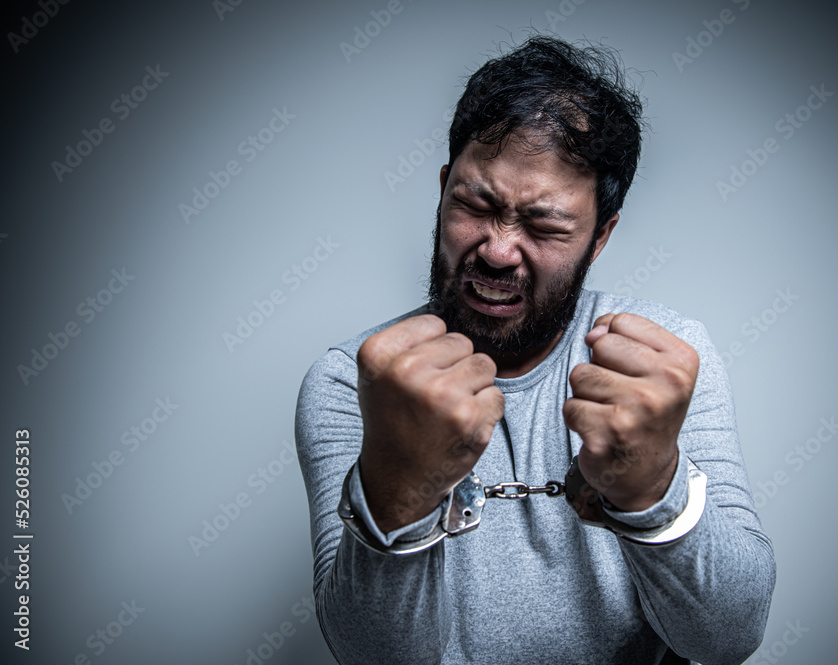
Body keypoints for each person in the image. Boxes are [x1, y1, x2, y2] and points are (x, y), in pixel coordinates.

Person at [295, 35, 775, 664]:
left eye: (545, 226)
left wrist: (656, 490)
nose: (497, 249)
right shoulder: (355, 381)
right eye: (475, 205)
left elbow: (726, 640)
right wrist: (396, 492)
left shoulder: (661, 366)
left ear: (600, 238)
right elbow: (378, 658)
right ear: (442, 191)